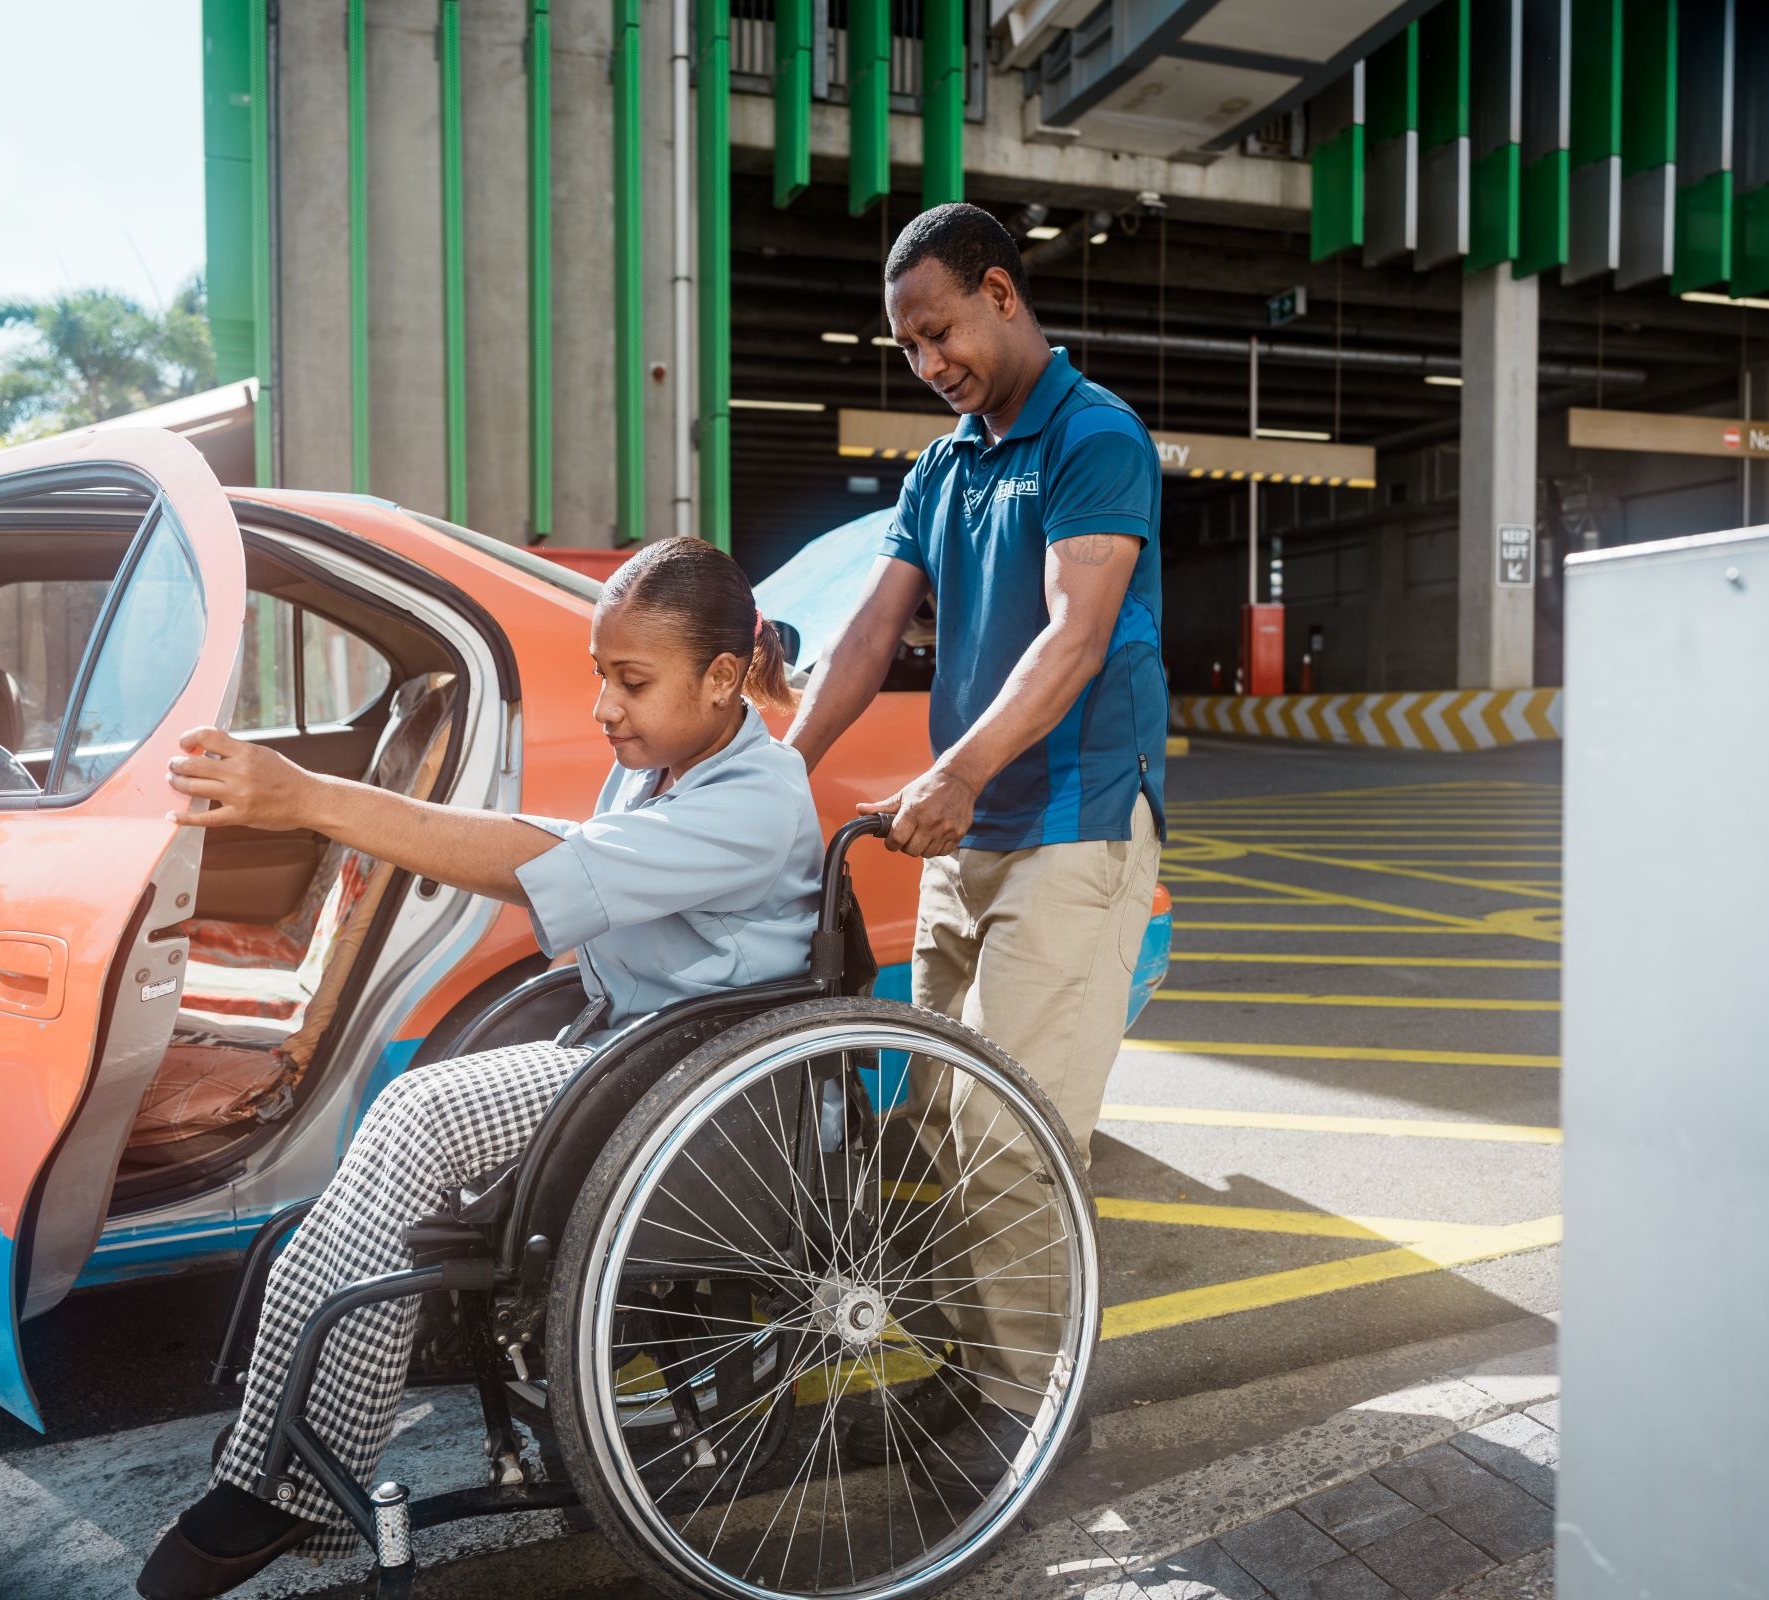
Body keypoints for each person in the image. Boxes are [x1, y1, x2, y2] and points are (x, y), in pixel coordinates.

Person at [138, 537, 823, 1599]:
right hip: (629, 1053)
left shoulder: (756, 801)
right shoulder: (667, 763)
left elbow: (548, 864)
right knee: (399, 1133)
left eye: (630, 680)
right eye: (601, 674)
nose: (604, 706)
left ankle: (296, 1482)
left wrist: (313, 799)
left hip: (682, 1089)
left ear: (725, 678)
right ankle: (275, 1453)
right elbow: (566, 845)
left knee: (417, 1117)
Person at [784, 202, 1166, 1490]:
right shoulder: (945, 466)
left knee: (1020, 1140)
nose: (926, 361)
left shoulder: (1095, 436)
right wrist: (780, 772)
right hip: (971, 838)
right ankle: (986, 1375)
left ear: (1000, 293)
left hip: (1069, 823)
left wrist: (957, 769)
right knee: (944, 1126)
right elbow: (867, 633)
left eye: (937, 331)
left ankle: (1038, 1419)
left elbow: (1076, 633)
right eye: (906, 346)